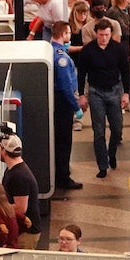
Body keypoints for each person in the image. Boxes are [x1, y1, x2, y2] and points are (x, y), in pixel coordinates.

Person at [77, 18, 129, 180]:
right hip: (96, 92)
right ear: (96, 34)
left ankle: (111, 153)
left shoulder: (118, 49)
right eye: (101, 35)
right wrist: (81, 95)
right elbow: (81, 74)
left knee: (117, 128)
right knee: (98, 131)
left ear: (111, 34)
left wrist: (126, 93)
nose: (104, 38)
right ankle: (102, 165)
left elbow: (126, 72)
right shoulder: (88, 51)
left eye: (107, 35)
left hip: (114, 90)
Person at [48, 20, 81, 190]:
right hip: (63, 103)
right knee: (63, 141)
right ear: (63, 34)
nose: (70, 35)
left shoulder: (50, 50)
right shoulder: (61, 57)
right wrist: (76, 107)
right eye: (68, 32)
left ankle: (60, 173)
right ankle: (63, 177)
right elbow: (65, 85)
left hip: (55, 102)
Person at [0, 133, 42, 249]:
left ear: (3, 150)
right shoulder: (12, 170)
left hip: (26, 233)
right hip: (20, 230)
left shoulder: (19, 176)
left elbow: (20, 208)